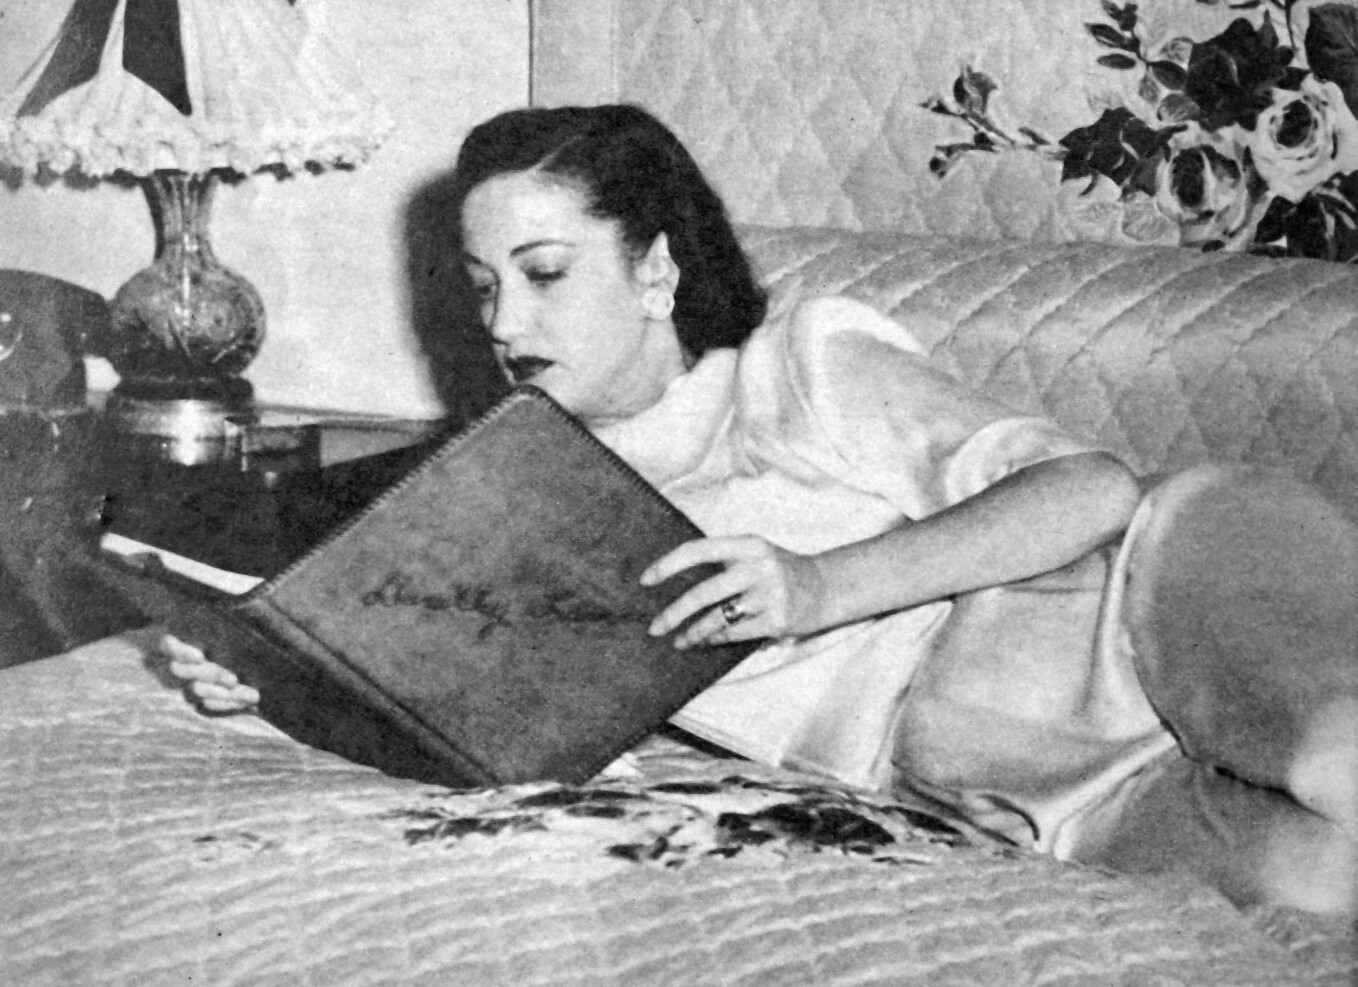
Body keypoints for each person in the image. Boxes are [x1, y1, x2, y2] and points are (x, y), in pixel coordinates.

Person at [164, 103, 1357, 916]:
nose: (502, 326)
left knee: (1335, 756)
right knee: (1318, 892)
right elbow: (484, 734)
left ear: (653, 270)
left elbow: (1089, 490)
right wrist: (277, 688)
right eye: (480, 288)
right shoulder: (514, 500)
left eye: (543, 274)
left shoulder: (796, 362)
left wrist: (816, 587)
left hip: (1155, 596)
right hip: (1014, 785)